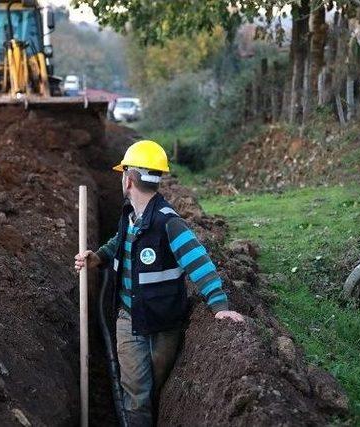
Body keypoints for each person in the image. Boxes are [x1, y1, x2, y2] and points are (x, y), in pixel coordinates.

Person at [74, 140, 244, 426]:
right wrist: (98, 257)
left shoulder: (168, 223)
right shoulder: (130, 217)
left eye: (122, 175)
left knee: (158, 389)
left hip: (164, 326)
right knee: (136, 397)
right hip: (128, 320)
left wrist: (219, 306)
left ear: (128, 180)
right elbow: (121, 242)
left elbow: (198, 262)